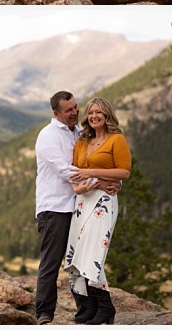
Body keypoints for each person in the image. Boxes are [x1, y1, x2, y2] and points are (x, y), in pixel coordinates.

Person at [34, 91, 119, 325]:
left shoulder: (80, 133)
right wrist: (102, 182)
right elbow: (66, 170)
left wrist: (114, 181)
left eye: (75, 107)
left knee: (80, 259)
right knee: (52, 261)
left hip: (82, 205)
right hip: (55, 206)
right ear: (56, 113)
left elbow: (96, 162)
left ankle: (86, 309)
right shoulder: (48, 136)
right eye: (69, 110)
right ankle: (44, 313)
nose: (75, 112)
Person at [63, 97, 132, 325]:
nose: (94, 116)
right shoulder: (82, 141)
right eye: (91, 112)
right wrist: (86, 181)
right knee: (77, 252)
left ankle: (105, 307)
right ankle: (88, 305)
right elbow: (75, 172)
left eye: (98, 113)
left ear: (107, 115)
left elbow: (124, 172)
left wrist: (95, 176)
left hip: (104, 202)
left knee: (93, 254)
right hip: (83, 201)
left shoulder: (116, 139)